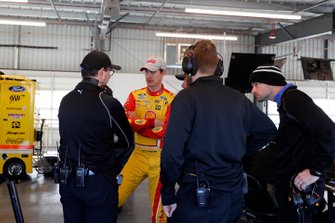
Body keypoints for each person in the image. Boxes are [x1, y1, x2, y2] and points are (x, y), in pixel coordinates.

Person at [160, 39, 277, 223]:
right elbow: (268, 130)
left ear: (189, 66)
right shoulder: (238, 99)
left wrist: (167, 193)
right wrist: (241, 151)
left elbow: (172, 152)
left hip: (198, 197)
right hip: (234, 196)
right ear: (219, 68)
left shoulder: (186, 99)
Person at [250, 64, 335, 223]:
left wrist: (315, 171)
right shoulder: (286, 102)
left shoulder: (293, 99)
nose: (253, 90)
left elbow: (329, 130)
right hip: (290, 187)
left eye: (256, 84)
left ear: (270, 82)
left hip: (300, 188)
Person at [58, 50, 134, 223]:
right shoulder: (108, 103)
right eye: (109, 72)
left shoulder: (66, 100)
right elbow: (127, 142)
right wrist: (112, 165)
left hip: (68, 182)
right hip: (98, 183)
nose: (109, 76)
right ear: (101, 72)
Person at [118, 56, 175, 223]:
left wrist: (140, 125)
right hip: (138, 155)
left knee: (159, 214)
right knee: (113, 197)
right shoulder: (135, 96)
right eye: (146, 71)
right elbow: (126, 121)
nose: (148, 76)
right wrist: (152, 123)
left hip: (159, 158)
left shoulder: (172, 99)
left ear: (163, 72)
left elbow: (165, 130)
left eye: (153, 71)